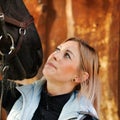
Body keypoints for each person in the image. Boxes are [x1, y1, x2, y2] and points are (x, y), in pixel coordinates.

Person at [0, 37, 100, 120]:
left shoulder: (85, 118)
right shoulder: (16, 94)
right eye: (58, 50)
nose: (55, 56)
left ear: (80, 77)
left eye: (67, 55)